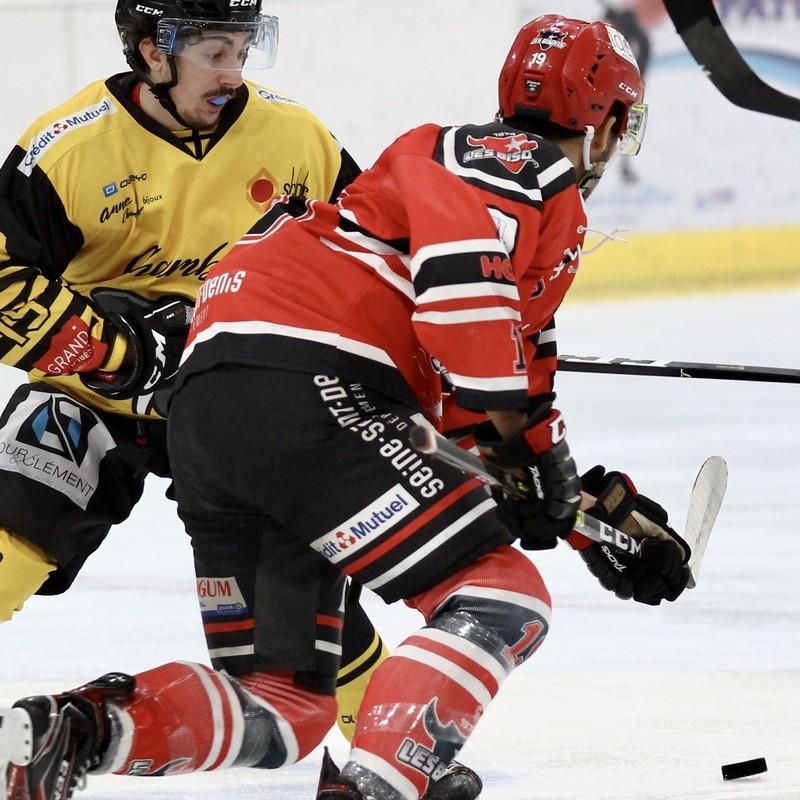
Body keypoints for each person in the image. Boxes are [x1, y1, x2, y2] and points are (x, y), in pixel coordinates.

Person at [0, 14, 692, 800]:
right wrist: (533, 454)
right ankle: (379, 786)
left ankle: (77, 730)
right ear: (605, 122)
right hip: (302, 386)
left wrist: (581, 511)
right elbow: (466, 316)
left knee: (285, 704)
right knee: (501, 596)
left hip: (211, 403)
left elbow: (467, 412)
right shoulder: (525, 171)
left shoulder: (393, 155)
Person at [0, 0, 401, 770]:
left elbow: (370, 262)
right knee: (9, 540)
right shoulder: (69, 149)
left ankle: (395, 750)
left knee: (298, 613)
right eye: (214, 53)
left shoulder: (298, 139)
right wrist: (115, 348)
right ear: (152, 52)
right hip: (96, 397)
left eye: (243, 51)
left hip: (233, 403)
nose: (233, 73)